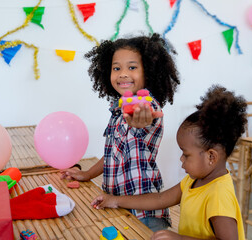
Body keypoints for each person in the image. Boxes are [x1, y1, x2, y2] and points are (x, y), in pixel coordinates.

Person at [91, 85, 247, 240]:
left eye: (186, 155)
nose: (181, 159)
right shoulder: (193, 181)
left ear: (211, 157)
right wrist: (115, 200)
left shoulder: (219, 196)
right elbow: (160, 199)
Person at [60, 33, 180, 231]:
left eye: (132, 67)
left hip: (145, 214)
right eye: (117, 68)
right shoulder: (117, 109)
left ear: (148, 72)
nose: (123, 74)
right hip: (117, 204)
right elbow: (112, 153)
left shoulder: (146, 104)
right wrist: (88, 173)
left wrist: (141, 119)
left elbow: (146, 114)